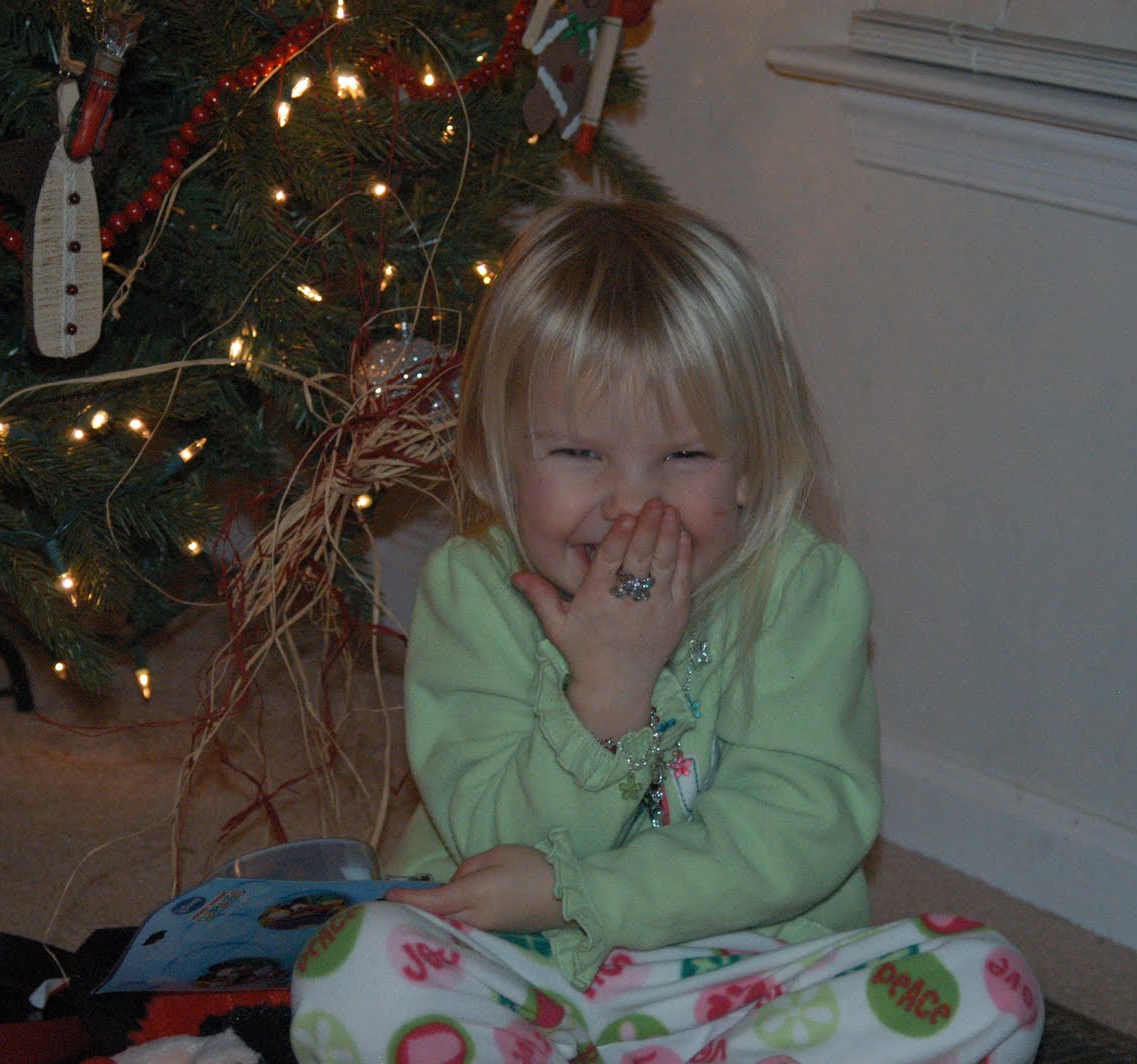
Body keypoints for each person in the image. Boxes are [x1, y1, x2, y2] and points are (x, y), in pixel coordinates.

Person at [291, 200, 1043, 1063]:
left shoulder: (802, 589)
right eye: (579, 453)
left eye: (684, 457)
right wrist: (606, 693)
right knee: (352, 967)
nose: (630, 505)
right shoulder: (474, 591)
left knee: (989, 983)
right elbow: (493, 837)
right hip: (516, 960)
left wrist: (587, 895)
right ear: (499, 456)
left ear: (750, 465)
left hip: (739, 970)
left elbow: (800, 824)